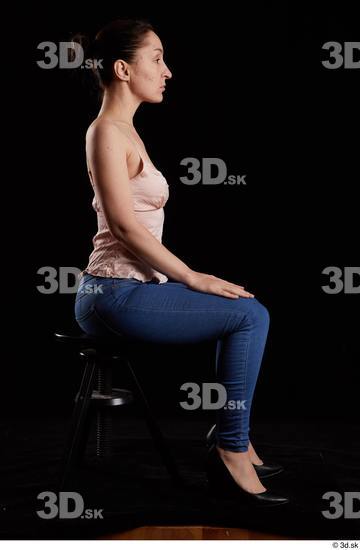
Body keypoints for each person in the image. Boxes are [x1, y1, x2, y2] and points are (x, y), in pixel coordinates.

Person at [73, 18, 289, 506]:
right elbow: (125, 228)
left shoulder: (125, 130)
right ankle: (230, 448)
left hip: (135, 290)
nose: (167, 70)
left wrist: (193, 280)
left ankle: (233, 439)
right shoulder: (105, 132)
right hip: (111, 295)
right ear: (124, 69)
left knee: (247, 308)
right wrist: (193, 277)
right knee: (249, 315)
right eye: (156, 58)